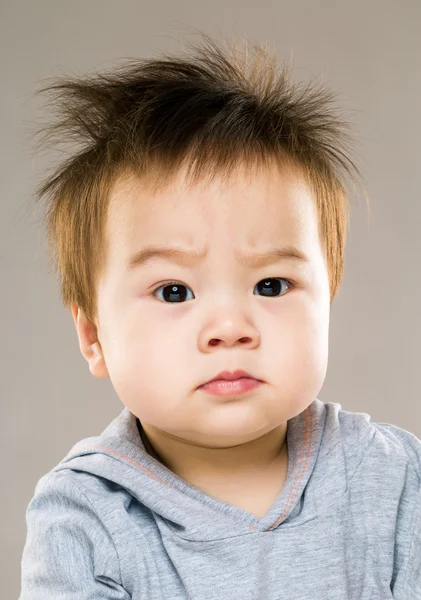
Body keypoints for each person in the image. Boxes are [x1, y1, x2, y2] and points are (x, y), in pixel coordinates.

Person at [19, 34, 420, 599]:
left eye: (271, 285)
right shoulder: (86, 518)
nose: (230, 327)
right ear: (93, 336)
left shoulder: (393, 478)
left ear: (327, 299)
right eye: (175, 292)